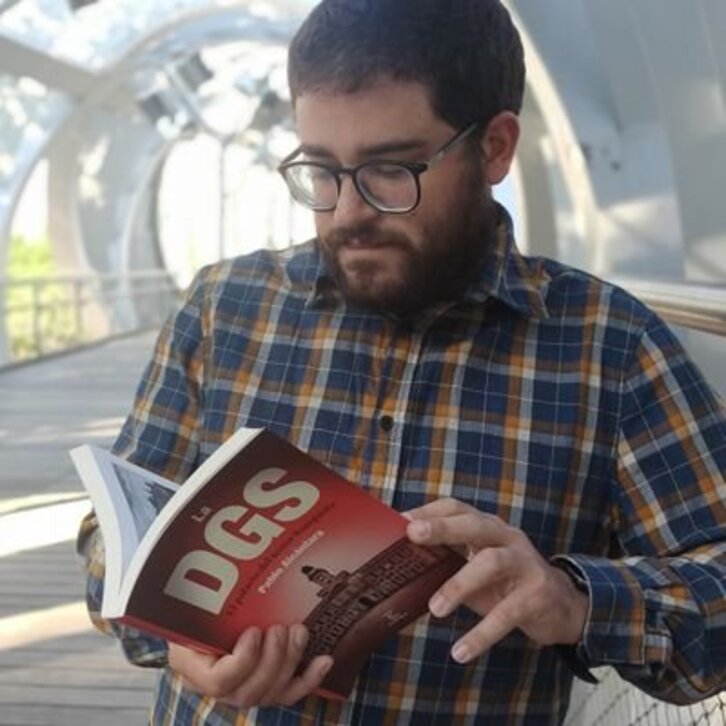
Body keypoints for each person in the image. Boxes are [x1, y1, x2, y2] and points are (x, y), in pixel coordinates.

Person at [77, 0, 726, 723]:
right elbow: (112, 537)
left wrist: (575, 601)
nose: (347, 212)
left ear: (496, 149)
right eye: (320, 171)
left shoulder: (609, 347)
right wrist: (175, 643)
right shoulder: (222, 309)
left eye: (389, 170)